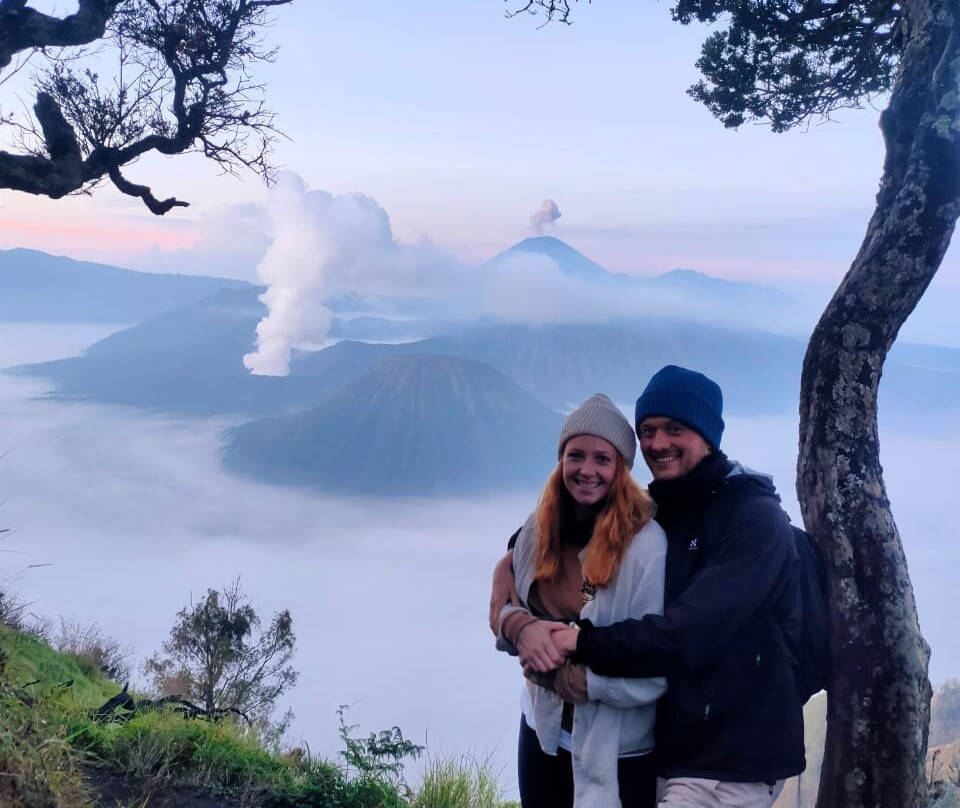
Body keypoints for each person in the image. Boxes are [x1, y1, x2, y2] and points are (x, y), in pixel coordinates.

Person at [490, 366, 804, 808]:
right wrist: (509, 571)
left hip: (732, 754)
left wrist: (576, 646)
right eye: (649, 430)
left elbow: (686, 633)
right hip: (667, 744)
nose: (658, 442)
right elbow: (564, 535)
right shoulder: (667, 505)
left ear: (707, 435)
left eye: (674, 429)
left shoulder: (752, 520)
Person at [496, 393, 668, 808]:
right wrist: (521, 627)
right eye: (576, 455)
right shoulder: (539, 529)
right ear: (561, 461)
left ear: (621, 469)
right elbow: (505, 619)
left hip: (619, 751)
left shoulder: (646, 547)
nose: (586, 470)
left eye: (602, 459)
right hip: (542, 731)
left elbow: (658, 665)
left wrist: (586, 684)